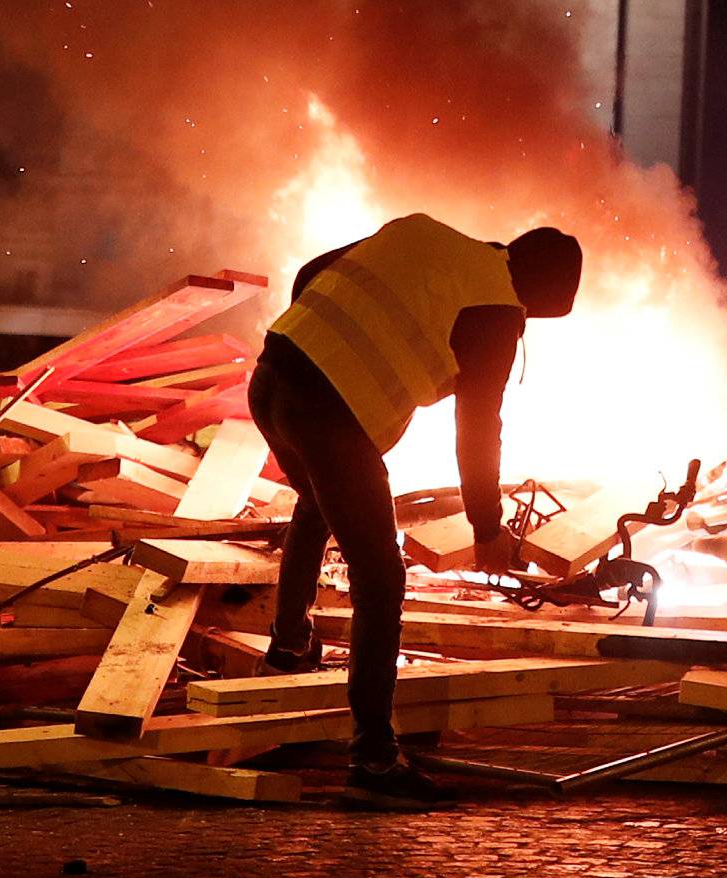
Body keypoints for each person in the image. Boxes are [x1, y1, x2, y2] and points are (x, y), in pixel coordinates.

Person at [247, 212, 583, 809]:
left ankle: (289, 647)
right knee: (382, 579)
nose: (527, 323)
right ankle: (374, 759)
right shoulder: (498, 312)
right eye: (537, 314)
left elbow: (309, 273)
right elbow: (478, 429)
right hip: (330, 415)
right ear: (534, 292)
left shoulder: (427, 235)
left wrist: (316, 350)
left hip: (272, 378)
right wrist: (486, 528)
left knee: (316, 503)